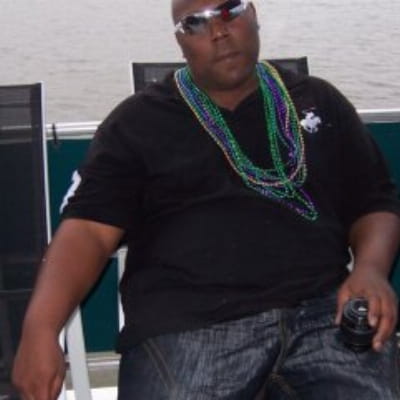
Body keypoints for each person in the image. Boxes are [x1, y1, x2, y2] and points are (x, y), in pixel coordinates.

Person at [12, 0, 400, 399]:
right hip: (189, 325)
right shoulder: (136, 123)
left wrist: (370, 269)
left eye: (229, 10)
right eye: (195, 23)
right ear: (180, 42)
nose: (218, 32)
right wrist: (40, 328)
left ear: (254, 15)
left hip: (322, 314)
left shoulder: (318, 99)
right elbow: (88, 232)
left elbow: (374, 200)